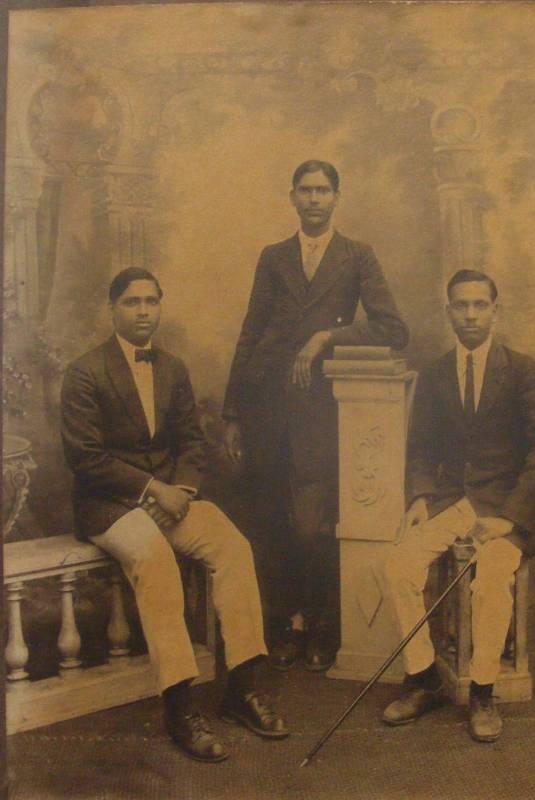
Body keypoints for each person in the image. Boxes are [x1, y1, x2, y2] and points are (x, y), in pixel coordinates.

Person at [61, 267, 288, 764]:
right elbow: (85, 458)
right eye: (132, 302)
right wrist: (151, 489)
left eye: (151, 301)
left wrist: (180, 489)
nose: (144, 311)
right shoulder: (85, 372)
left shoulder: (173, 368)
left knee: (234, 547)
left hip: (168, 496)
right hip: (110, 505)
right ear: (112, 310)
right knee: (156, 560)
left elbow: (190, 440)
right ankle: (180, 706)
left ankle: (241, 688)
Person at [223, 160, 409, 672]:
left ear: (336, 197)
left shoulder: (357, 256)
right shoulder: (273, 256)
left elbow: (393, 328)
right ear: (292, 197)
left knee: (312, 524)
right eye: (304, 190)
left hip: (321, 412)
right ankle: (286, 625)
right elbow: (250, 331)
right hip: (266, 404)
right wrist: (233, 412)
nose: (313, 199)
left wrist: (327, 336)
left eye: (322, 190)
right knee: (269, 521)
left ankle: (324, 626)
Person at [381, 268, 535, 742]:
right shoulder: (437, 373)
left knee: (492, 577)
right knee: (398, 565)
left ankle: (482, 692)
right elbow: (420, 447)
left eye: (481, 305)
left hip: (504, 508)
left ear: (495, 311)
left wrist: (509, 518)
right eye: (462, 305)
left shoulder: (521, 370)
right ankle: (423, 680)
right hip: (453, 502)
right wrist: (419, 496)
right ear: (449, 312)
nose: (471, 314)